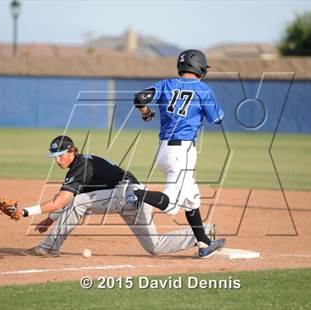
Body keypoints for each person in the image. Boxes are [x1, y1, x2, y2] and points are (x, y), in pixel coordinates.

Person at [21, 135, 223, 258]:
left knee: (79, 203)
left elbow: (63, 201)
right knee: (155, 247)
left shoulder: (82, 166)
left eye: (61, 154)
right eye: (54, 157)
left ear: (72, 151)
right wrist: (49, 219)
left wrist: (25, 212)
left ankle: (48, 248)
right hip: (133, 197)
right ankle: (203, 233)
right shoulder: (79, 166)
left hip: (127, 193)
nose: (58, 160)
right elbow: (66, 197)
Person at [133, 49, 226, 253]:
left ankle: (204, 244)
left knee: (192, 197)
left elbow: (139, 98)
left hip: (163, 151)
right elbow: (218, 119)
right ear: (199, 67)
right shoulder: (203, 89)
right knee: (170, 204)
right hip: (182, 152)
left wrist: (147, 113)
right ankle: (134, 193)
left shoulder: (165, 84)